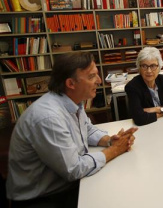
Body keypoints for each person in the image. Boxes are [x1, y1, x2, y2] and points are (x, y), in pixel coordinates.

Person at [6, 52, 137, 207]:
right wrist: (115, 150)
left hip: (65, 185)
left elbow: (86, 129)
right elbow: (73, 169)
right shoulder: (48, 118)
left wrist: (110, 140)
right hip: (43, 198)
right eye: (91, 76)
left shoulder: (73, 102)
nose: (99, 80)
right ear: (71, 83)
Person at [125, 47, 163, 125]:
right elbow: (139, 118)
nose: (149, 71)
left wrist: (158, 109)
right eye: (144, 66)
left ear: (159, 67)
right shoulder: (133, 87)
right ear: (139, 68)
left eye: (153, 66)